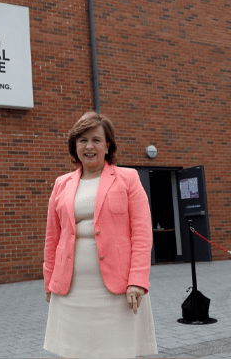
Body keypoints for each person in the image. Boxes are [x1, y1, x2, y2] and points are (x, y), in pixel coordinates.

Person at [42, 111, 158, 358]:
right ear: (75, 146)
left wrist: (137, 280)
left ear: (108, 145)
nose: (89, 146)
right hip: (71, 289)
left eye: (96, 140)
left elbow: (141, 233)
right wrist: (49, 280)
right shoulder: (61, 184)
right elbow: (53, 237)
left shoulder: (128, 178)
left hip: (117, 290)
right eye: (82, 140)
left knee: (116, 352)